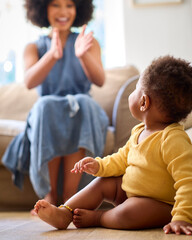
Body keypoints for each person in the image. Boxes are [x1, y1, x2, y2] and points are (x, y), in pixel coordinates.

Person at [34, 55, 192, 235]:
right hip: (129, 193)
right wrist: (99, 165)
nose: (132, 94)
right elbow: (122, 158)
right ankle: (65, 212)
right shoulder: (139, 131)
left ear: (143, 102)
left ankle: (99, 218)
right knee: (103, 183)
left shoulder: (173, 139)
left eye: (135, 90)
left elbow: (188, 181)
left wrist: (182, 216)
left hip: (160, 205)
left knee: (131, 211)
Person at [2, 0, 109, 211]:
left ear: (78, 9)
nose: (63, 12)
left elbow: (100, 80)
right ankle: (50, 196)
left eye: (69, 5)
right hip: (47, 113)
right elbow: (30, 81)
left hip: (82, 111)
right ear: (43, 9)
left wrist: (82, 55)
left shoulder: (88, 43)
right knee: (46, 105)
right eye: (55, 5)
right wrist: (52, 55)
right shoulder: (34, 47)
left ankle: (71, 197)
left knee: (83, 103)